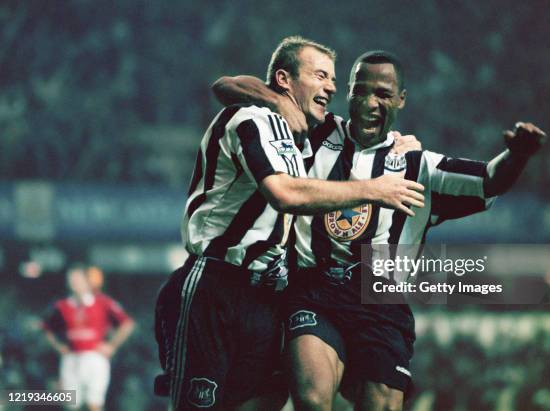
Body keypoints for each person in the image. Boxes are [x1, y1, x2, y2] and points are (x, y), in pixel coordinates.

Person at [213, 50, 547, 411]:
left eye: (383, 94)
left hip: (380, 296)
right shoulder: (316, 132)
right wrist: (280, 103)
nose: (369, 103)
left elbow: (489, 180)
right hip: (315, 289)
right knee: (311, 399)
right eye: (360, 91)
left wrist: (518, 155)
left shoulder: (420, 166)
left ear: (401, 99)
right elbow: (228, 86)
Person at [153, 37, 425, 411]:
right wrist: (373, 189)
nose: (331, 86)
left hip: (268, 296)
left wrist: (393, 145)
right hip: (217, 284)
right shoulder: (251, 118)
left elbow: (359, 143)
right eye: (320, 75)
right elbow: (284, 192)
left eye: (332, 78)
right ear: (284, 79)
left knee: (267, 401)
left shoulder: (306, 140)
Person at [42, 264, 135, 411]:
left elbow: (127, 323)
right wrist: (58, 346)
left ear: (87, 281)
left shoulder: (103, 302)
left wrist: (111, 345)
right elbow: (46, 328)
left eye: (77, 279)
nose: (74, 282)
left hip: (95, 359)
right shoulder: (62, 306)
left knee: (94, 404)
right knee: (72, 405)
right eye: (71, 279)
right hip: (71, 359)